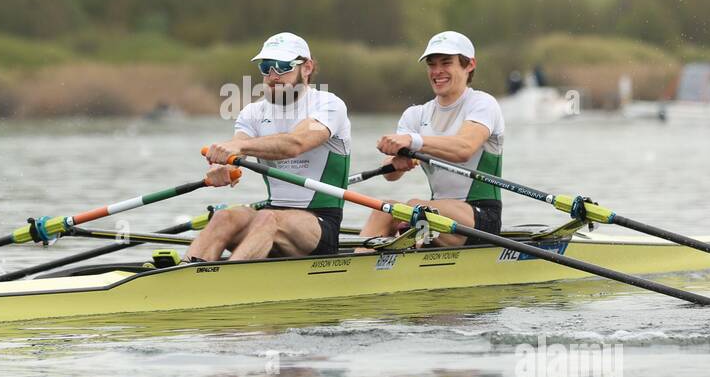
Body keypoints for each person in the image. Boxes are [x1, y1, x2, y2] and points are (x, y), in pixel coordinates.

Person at [187, 32, 352, 261]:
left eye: (282, 66)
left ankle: (224, 283)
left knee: (268, 218)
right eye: (266, 67)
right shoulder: (253, 113)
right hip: (271, 216)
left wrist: (240, 149)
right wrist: (227, 169)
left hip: (320, 225)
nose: (273, 75)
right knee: (224, 216)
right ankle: (185, 273)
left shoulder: (329, 105)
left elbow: (295, 144)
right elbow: (238, 151)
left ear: (307, 68)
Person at [357, 31, 505, 248]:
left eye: (446, 63)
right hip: (433, 214)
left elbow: (463, 148)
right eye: (431, 64)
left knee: (414, 207)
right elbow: (392, 176)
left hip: (481, 217)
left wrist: (413, 142)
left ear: (469, 65)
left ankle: (413, 247)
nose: (437, 72)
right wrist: (395, 162)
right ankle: (354, 267)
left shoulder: (482, 104)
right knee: (385, 209)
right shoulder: (415, 115)